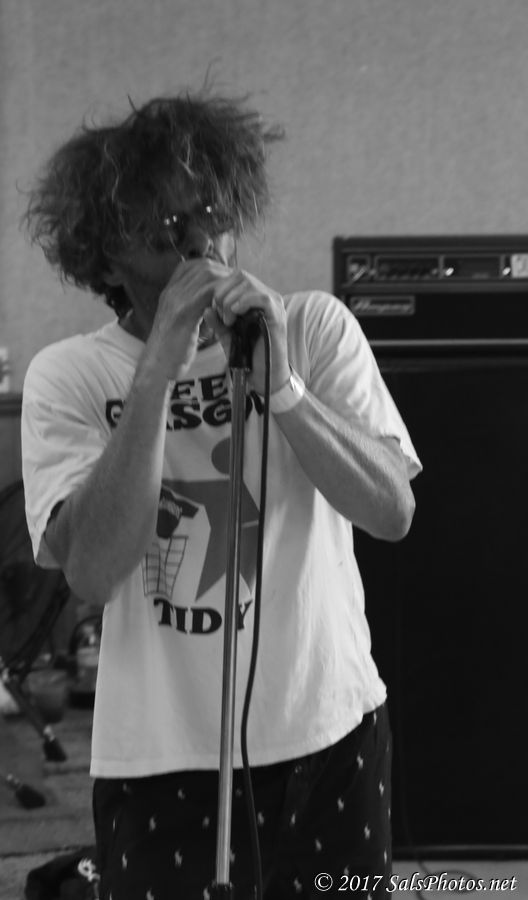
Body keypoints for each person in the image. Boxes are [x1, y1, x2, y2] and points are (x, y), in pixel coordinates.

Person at [21, 88, 422, 900]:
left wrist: (286, 391)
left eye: (210, 216)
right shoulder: (69, 375)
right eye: (166, 231)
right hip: (159, 758)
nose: (203, 247)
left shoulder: (314, 329)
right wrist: (156, 375)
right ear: (106, 258)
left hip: (329, 731)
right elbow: (92, 571)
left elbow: (391, 512)